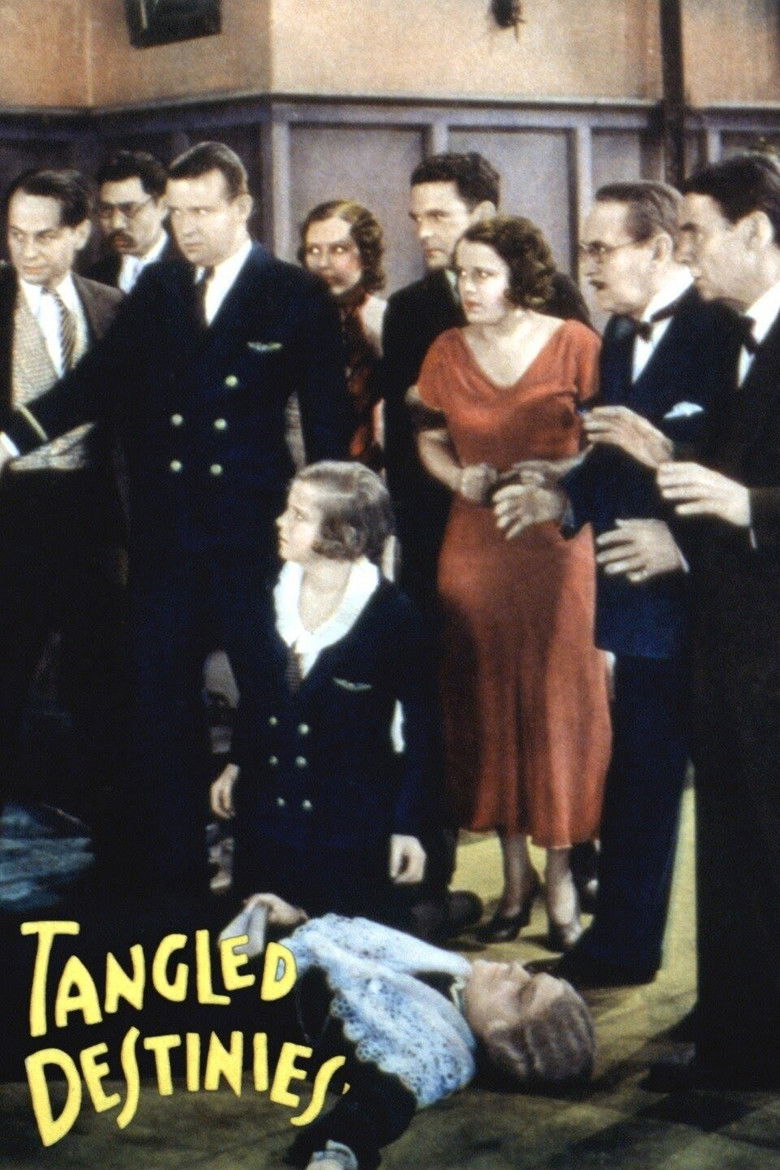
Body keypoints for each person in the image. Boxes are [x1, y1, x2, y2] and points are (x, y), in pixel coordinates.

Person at [0, 141, 350, 909]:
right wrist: (11, 437)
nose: (186, 227)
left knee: (270, 705)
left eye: (202, 211)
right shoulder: (159, 288)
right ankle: (173, 887)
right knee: (160, 715)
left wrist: (330, 540)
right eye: (178, 212)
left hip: (255, 542)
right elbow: (97, 382)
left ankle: (269, 882)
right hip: (166, 542)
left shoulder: (291, 292)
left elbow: (328, 426)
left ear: (241, 208)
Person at [495, 182, 737, 987]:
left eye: (602, 249)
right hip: (640, 607)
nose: (587, 266)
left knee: (730, 811)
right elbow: (613, 454)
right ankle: (625, 945)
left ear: (659, 248)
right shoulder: (621, 334)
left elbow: (741, 468)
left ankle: (733, 997)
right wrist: (563, 498)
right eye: (585, 249)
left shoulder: (722, 328)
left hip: (719, 605)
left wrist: (686, 542)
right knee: (638, 777)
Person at [414, 216, 610, 948]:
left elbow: (609, 442)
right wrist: (455, 475)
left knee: (559, 707)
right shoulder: (445, 349)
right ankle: (513, 879)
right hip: (475, 548)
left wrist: (560, 472)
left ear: (519, 278)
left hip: (555, 547)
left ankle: (561, 880)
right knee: (487, 708)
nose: (466, 287)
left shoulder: (575, 342)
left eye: (482, 274)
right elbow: (428, 435)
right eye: (460, 274)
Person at [650, 153, 780, 1087]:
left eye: (696, 230)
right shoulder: (730, 334)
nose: (683, 249)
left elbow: (748, 494)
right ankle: (739, 1036)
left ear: (758, 231)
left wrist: (747, 507)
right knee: (733, 850)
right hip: (731, 647)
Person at [210, 461, 431, 925]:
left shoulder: (394, 617)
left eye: (298, 515)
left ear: (346, 535)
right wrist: (237, 762)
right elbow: (259, 696)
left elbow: (420, 734)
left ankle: (434, 911)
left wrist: (408, 826)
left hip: (346, 832)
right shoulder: (266, 598)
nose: (280, 522)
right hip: (269, 822)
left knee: (339, 941)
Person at [237, 895, 596, 1170]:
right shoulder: (457, 972)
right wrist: (296, 921)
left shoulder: (436, 1055)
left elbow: (383, 1104)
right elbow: (362, 946)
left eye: (520, 993)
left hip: (247, 1008)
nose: (516, 969)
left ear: (499, 1037)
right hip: (268, 954)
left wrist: (337, 1153)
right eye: (530, 974)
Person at [381, 151, 592, 618]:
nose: (423, 233)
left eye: (438, 216)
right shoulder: (408, 308)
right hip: (442, 526)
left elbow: (591, 412)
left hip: (542, 523)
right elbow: (404, 436)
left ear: (483, 214)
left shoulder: (554, 295)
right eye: (417, 219)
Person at [0, 167, 125, 834]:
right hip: (11, 508)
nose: (27, 251)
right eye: (15, 234)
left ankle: (98, 815)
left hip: (92, 512)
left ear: (80, 233)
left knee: (99, 669)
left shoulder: (111, 306)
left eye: (44, 236)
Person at [299, 200, 386, 468]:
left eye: (339, 249)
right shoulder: (292, 323)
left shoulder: (386, 319)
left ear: (366, 255)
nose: (323, 263)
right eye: (313, 250)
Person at [87, 150, 177, 291]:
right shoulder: (93, 277)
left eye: (129, 209)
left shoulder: (193, 271)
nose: (116, 224)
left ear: (163, 206)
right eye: (106, 210)